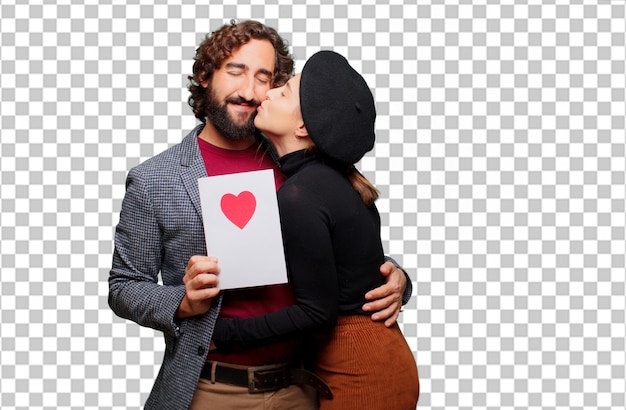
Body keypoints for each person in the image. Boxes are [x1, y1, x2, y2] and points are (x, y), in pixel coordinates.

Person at [108, 20, 413, 410]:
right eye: (236, 72)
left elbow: (342, 244)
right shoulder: (155, 180)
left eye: (264, 78)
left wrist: (396, 278)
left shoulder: (300, 162)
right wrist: (183, 303)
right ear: (205, 76)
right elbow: (124, 286)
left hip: (307, 384)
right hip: (210, 388)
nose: (250, 91)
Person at [208, 50, 419, 409]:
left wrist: (223, 333)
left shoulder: (300, 194)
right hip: (374, 355)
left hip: (361, 368)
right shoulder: (333, 181)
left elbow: (316, 313)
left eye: (285, 91)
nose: (269, 93)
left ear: (303, 127)